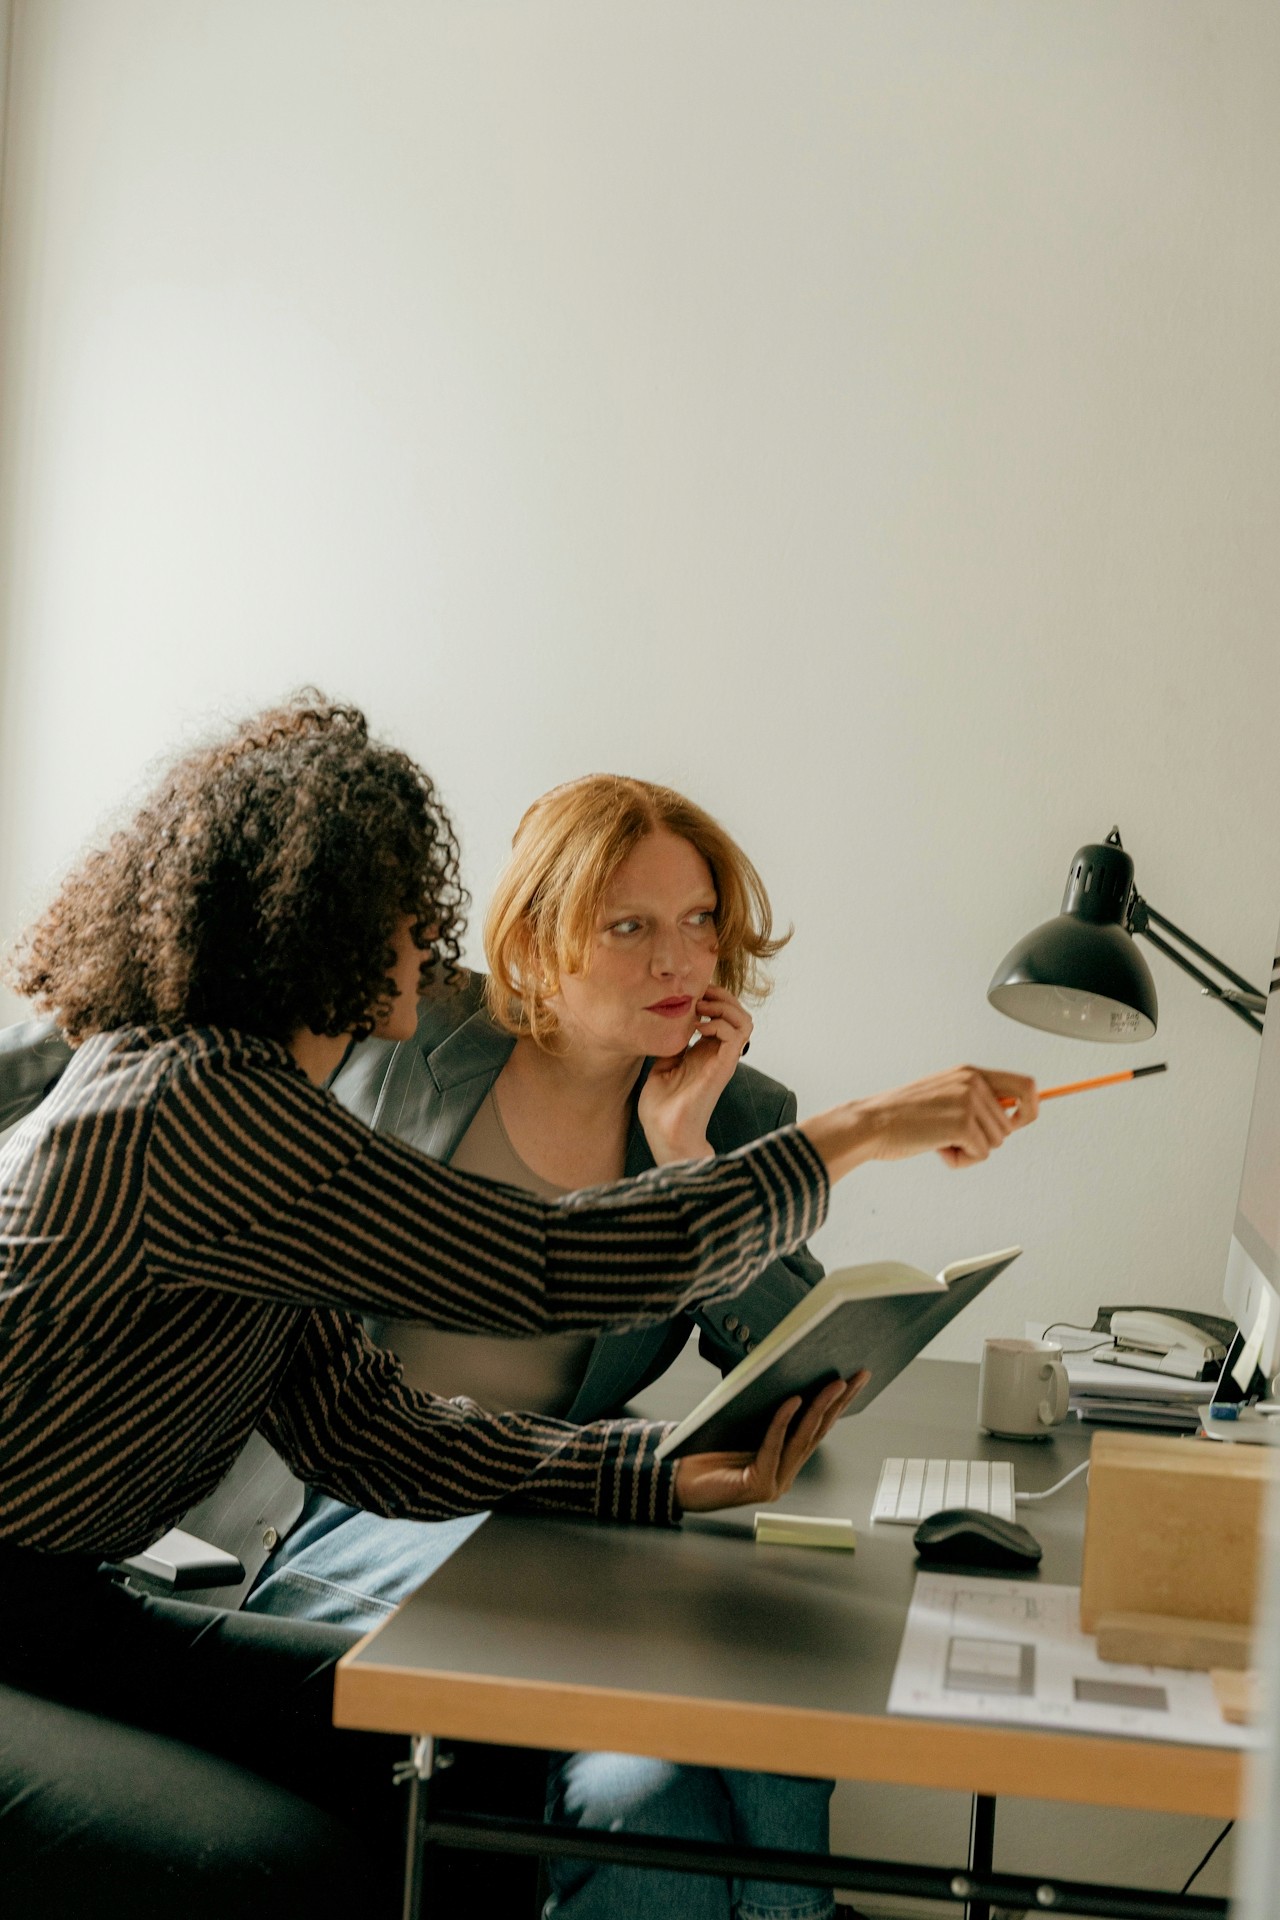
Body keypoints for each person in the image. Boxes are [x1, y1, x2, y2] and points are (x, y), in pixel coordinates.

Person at [0, 697, 1037, 1918]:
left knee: (471, 1765)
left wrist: (647, 1475)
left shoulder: (250, 1109)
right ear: (316, 923)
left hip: (68, 1608)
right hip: (21, 1615)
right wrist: (859, 1132)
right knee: (286, 1863)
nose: (434, 940)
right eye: (407, 912)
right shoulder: (207, 1108)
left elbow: (362, 1427)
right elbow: (538, 1264)